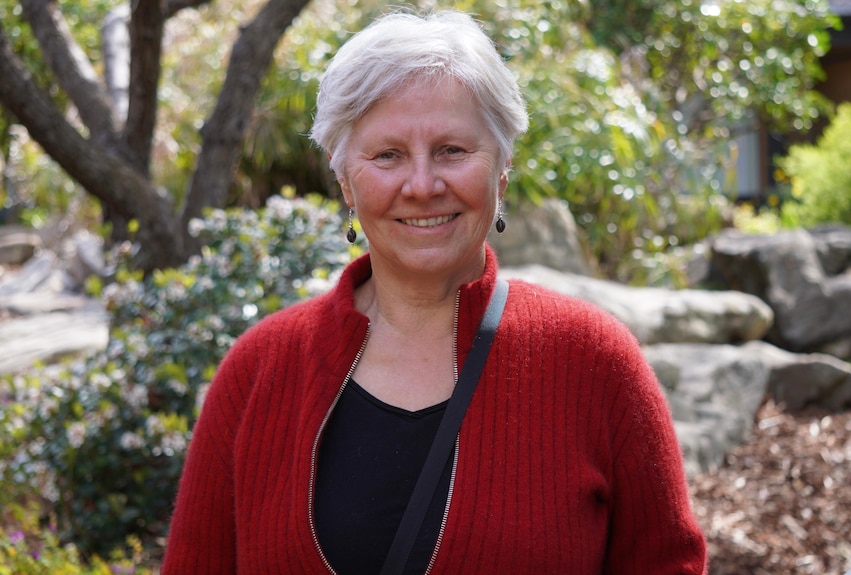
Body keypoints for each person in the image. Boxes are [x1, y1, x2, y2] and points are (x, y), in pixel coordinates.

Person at [161, 10, 707, 575]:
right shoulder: (259, 371)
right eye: (387, 155)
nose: (422, 186)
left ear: (501, 168)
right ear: (346, 179)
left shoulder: (592, 360)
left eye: (451, 150)